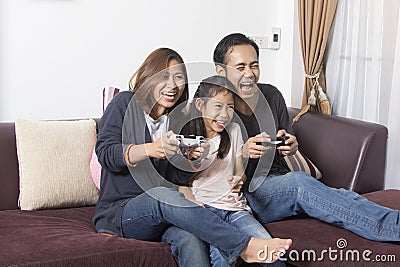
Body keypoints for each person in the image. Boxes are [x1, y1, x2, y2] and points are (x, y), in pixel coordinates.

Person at [93, 47, 292, 267]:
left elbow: (175, 178)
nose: (173, 85)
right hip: (123, 212)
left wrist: (193, 161)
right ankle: (244, 246)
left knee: (192, 242)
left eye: (179, 78)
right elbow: (106, 152)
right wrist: (150, 149)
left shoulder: (176, 121)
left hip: (166, 216)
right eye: (165, 76)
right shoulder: (125, 103)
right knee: (163, 196)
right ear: (150, 76)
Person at [213, 33, 400, 242]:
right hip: (247, 192)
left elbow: (288, 137)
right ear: (221, 71)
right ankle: (394, 228)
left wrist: (291, 145)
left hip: (279, 180)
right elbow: (207, 170)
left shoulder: (271, 95)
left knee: (343, 195)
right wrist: (242, 153)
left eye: (254, 65)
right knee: (299, 183)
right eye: (240, 68)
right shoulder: (213, 104)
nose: (249, 73)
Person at [177, 75, 290, 266]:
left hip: (236, 209)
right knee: (222, 260)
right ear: (200, 104)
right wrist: (197, 210)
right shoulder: (187, 139)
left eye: (230, 107)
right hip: (207, 212)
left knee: (272, 256)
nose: (225, 114)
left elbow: (240, 172)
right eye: (218, 106)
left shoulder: (235, 131)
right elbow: (180, 185)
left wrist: (238, 178)